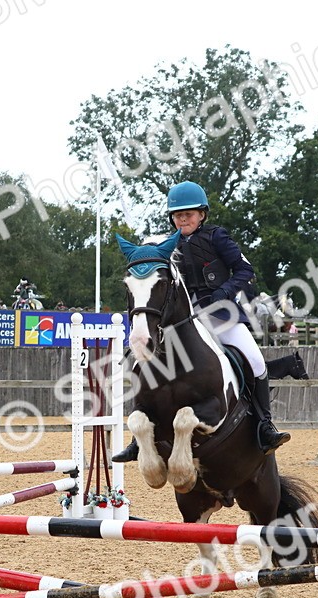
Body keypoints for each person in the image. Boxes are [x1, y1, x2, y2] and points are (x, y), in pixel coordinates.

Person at [112, 180, 290, 462]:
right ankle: (140, 437)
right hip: (182, 318)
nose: (183, 219)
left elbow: (244, 270)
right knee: (144, 362)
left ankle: (264, 426)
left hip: (220, 315)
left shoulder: (217, 237)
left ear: (202, 214)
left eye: (189, 214)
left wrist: (223, 293)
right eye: (177, 215)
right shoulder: (165, 245)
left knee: (255, 361)